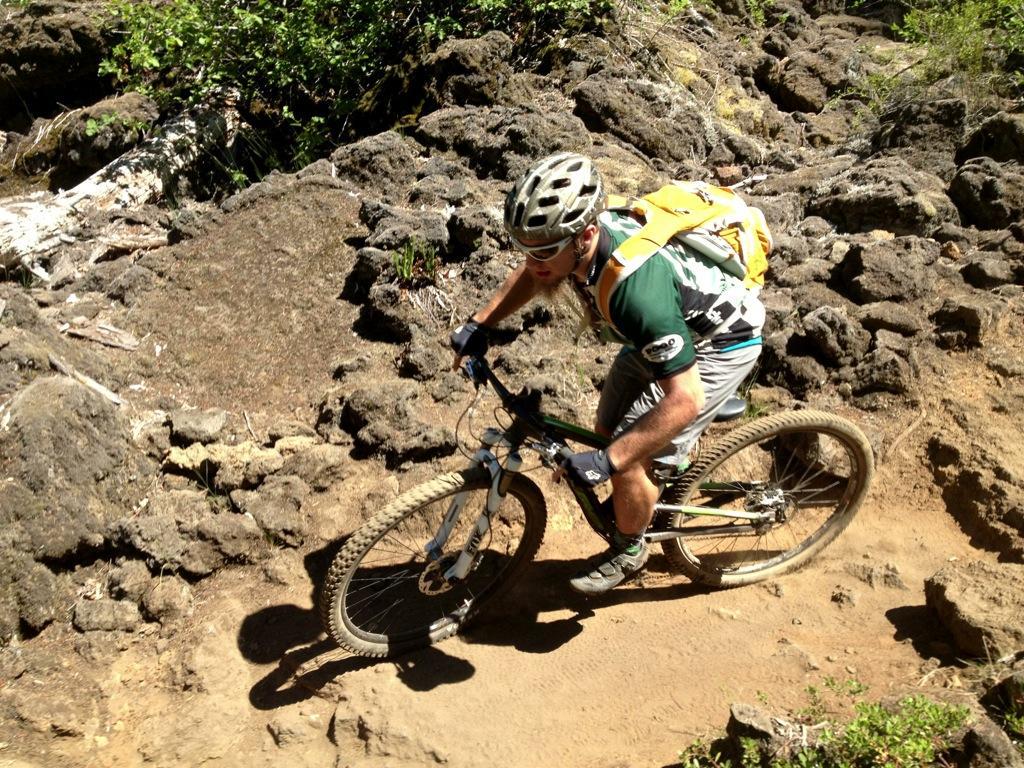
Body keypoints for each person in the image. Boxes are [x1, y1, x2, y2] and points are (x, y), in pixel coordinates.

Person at [449, 152, 765, 595]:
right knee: (606, 428)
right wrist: (479, 322)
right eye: (524, 248)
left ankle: (631, 548)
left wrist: (613, 461)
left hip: (720, 343)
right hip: (662, 333)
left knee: (624, 454)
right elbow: (534, 271)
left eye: (544, 251)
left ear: (587, 235)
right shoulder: (568, 246)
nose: (533, 260)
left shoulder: (637, 295)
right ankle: (660, 473)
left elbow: (686, 396)